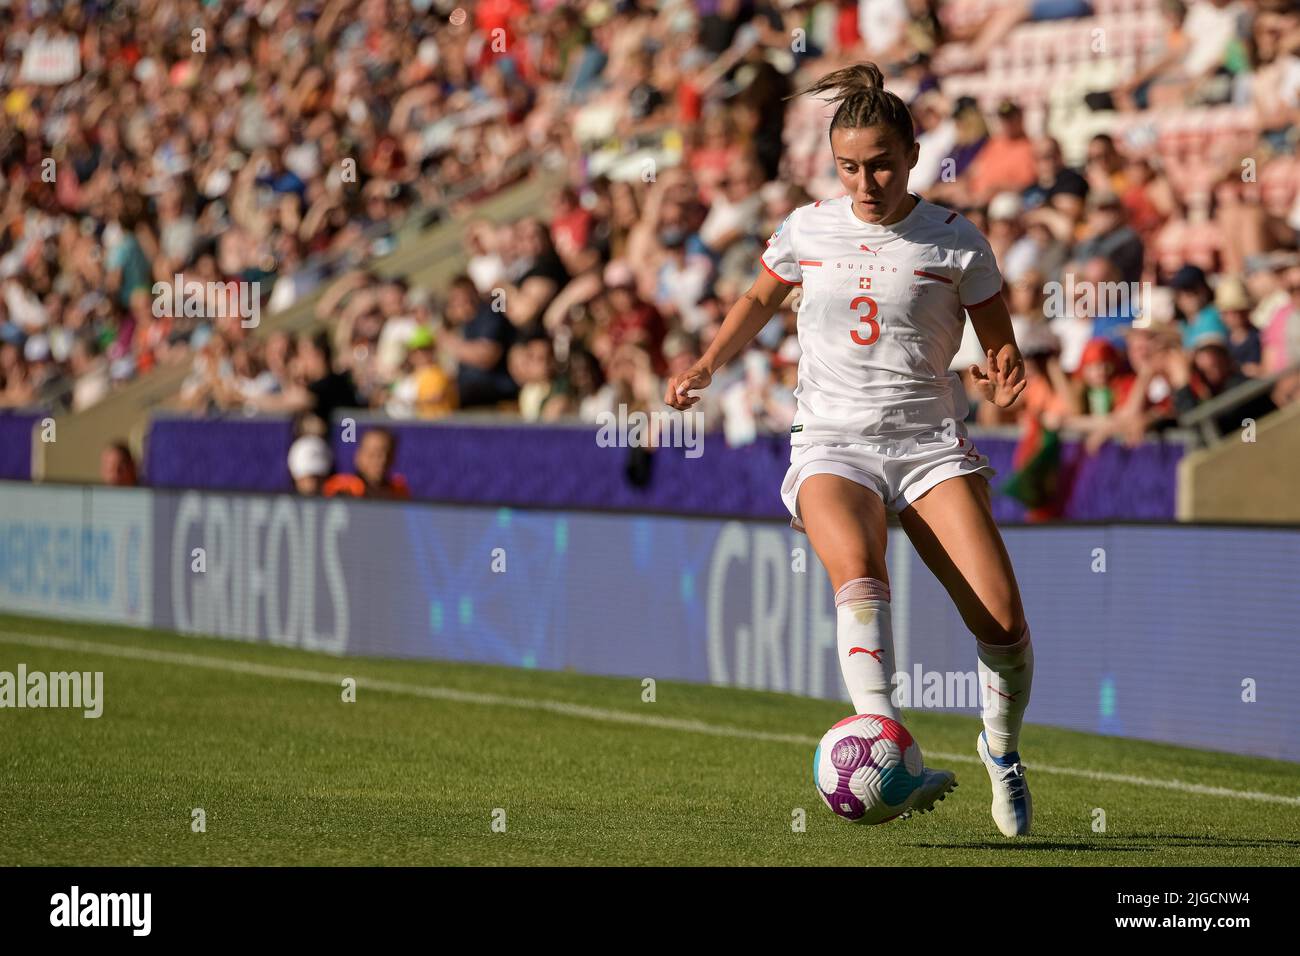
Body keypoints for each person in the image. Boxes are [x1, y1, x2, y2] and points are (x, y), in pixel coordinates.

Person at [666, 63, 1034, 836]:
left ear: (912, 154)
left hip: (929, 446)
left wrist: (1006, 371)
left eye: (881, 164)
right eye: (849, 167)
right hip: (833, 442)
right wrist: (707, 363)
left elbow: (999, 344)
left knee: (1000, 623)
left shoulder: (955, 240)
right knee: (859, 575)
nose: (866, 181)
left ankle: (1001, 751)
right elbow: (757, 299)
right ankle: (887, 745)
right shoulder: (808, 229)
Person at [322, 427, 411, 499]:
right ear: (359, 455)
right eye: (374, 454)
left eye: (388, 454)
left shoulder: (399, 491)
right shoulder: (342, 488)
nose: (382, 460)